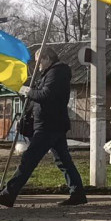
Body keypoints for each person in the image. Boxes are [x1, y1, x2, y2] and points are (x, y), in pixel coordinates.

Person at [0, 47, 87, 208]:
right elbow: (36, 101)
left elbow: (46, 95)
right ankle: (78, 193)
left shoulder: (57, 73)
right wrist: (25, 117)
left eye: (39, 60)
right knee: (63, 161)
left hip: (49, 125)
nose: (37, 64)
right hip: (51, 124)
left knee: (29, 159)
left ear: (47, 58)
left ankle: (8, 195)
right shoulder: (49, 73)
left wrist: (28, 91)